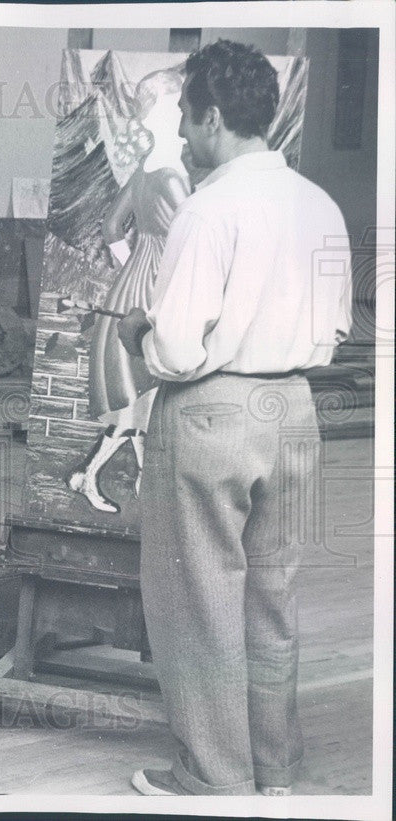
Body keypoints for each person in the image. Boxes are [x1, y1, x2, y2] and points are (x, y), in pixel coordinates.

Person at [117, 41, 352, 795]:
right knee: (272, 594)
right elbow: (340, 325)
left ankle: (212, 774)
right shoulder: (320, 204)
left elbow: (178, 347)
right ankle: (275, 766)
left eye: (186, 119)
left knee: (199, 600)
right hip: (294, 412)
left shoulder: (209, 207)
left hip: (211, 414)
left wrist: (137, 333)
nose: (182, 136)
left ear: (213, 116)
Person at [69, 69, 190, 513]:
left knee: (142, 397)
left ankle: (110, 478)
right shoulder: (173, 176)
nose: (185, 114)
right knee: (144, 395)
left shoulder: (146, 169)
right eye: (179, 104)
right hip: (158, 290)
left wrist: (132, 268)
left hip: (131, 288)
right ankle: (110, 479)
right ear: (160, 112)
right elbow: (189, 243)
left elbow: (111, 229)